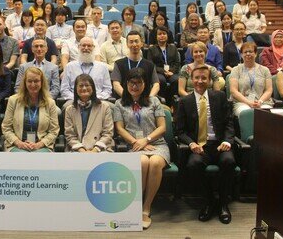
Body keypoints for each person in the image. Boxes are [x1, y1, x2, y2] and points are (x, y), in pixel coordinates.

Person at [175, 65, 236, 225]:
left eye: (204, 78)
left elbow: (229, 122)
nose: (200, 81)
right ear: (191, 79)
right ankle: (209, 201)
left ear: (209, 80)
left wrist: (227, 141)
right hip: (199, 146)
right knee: (193, 164)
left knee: (228, 161)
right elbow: (180, 131)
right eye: (197, 78)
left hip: (219, 144)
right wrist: (191, 143)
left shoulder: (220, 96)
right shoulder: (184, 101)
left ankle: (223, 203)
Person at [113, 68, 170, 229]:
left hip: (157, 144)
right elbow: (120, 128)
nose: (135, 86)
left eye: (139, 83)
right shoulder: (119, 104)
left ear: (145, 84)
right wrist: (136, 142)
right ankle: (135, 203)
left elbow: (162, 127)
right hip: (134, 145)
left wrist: (146, 140)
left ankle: (146, 207)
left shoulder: (155, 101)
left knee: (156, 163)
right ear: (126, 84)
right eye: (132, 83)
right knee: (143, 162)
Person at [1, 67, 59, 152]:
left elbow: (54, 131)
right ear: (24, 83)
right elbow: (6, 128)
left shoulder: (50, 103)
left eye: (36, 81)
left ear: (42, 82)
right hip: (17, 145)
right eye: (29, 81)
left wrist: (39, 144)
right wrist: (19, 143)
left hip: (42, 146)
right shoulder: (13, 100)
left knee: (38, 161)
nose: (33, 84)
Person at [64, 74, 113, 152]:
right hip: (77, 150)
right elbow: (70, 135)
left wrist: (95, 150)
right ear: (76, 89)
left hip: (101, 149)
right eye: (80, 86)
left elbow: (108, 133)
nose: (84, 88)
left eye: (87, 85)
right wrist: (82, 150)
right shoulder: (70, 109)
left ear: (93, 88)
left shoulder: (104, 107)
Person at [230, 42, 273, 116]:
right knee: (247, 113)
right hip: (242, 102)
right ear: (241, 55)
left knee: (266, 114)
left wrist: (260, 101)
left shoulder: (265, 70)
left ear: (256, 54)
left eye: (250, 51)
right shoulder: (236, 70)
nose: (248, 54)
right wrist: (249, 102)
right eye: (245, 52)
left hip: (262, 102)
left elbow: (269, 90)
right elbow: (233, 91)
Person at [112, 31, 160, 98]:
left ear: (141, 43)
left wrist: (149, 98)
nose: (134, 44)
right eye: (131, 42)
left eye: (136, 41)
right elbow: (116, 84)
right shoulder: (119, 64)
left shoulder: (150, 65)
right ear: (127, 44)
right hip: (124, 101)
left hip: (145, 102)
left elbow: (156, 84)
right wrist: (128, 98)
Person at [147, 26, 180, 106]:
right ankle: (161, 102)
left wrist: (172, 71)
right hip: (159, 72)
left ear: (167, 35)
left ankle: (173, 103)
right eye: (159, 34)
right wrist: (163, 71)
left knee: (177, 80)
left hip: (171, 72)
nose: (162, 35)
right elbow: (151, 64)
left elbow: (177, 62)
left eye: (164, 34)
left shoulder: (173, 48)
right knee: (161, 80)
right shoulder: (152, 49)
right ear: (156, 36)